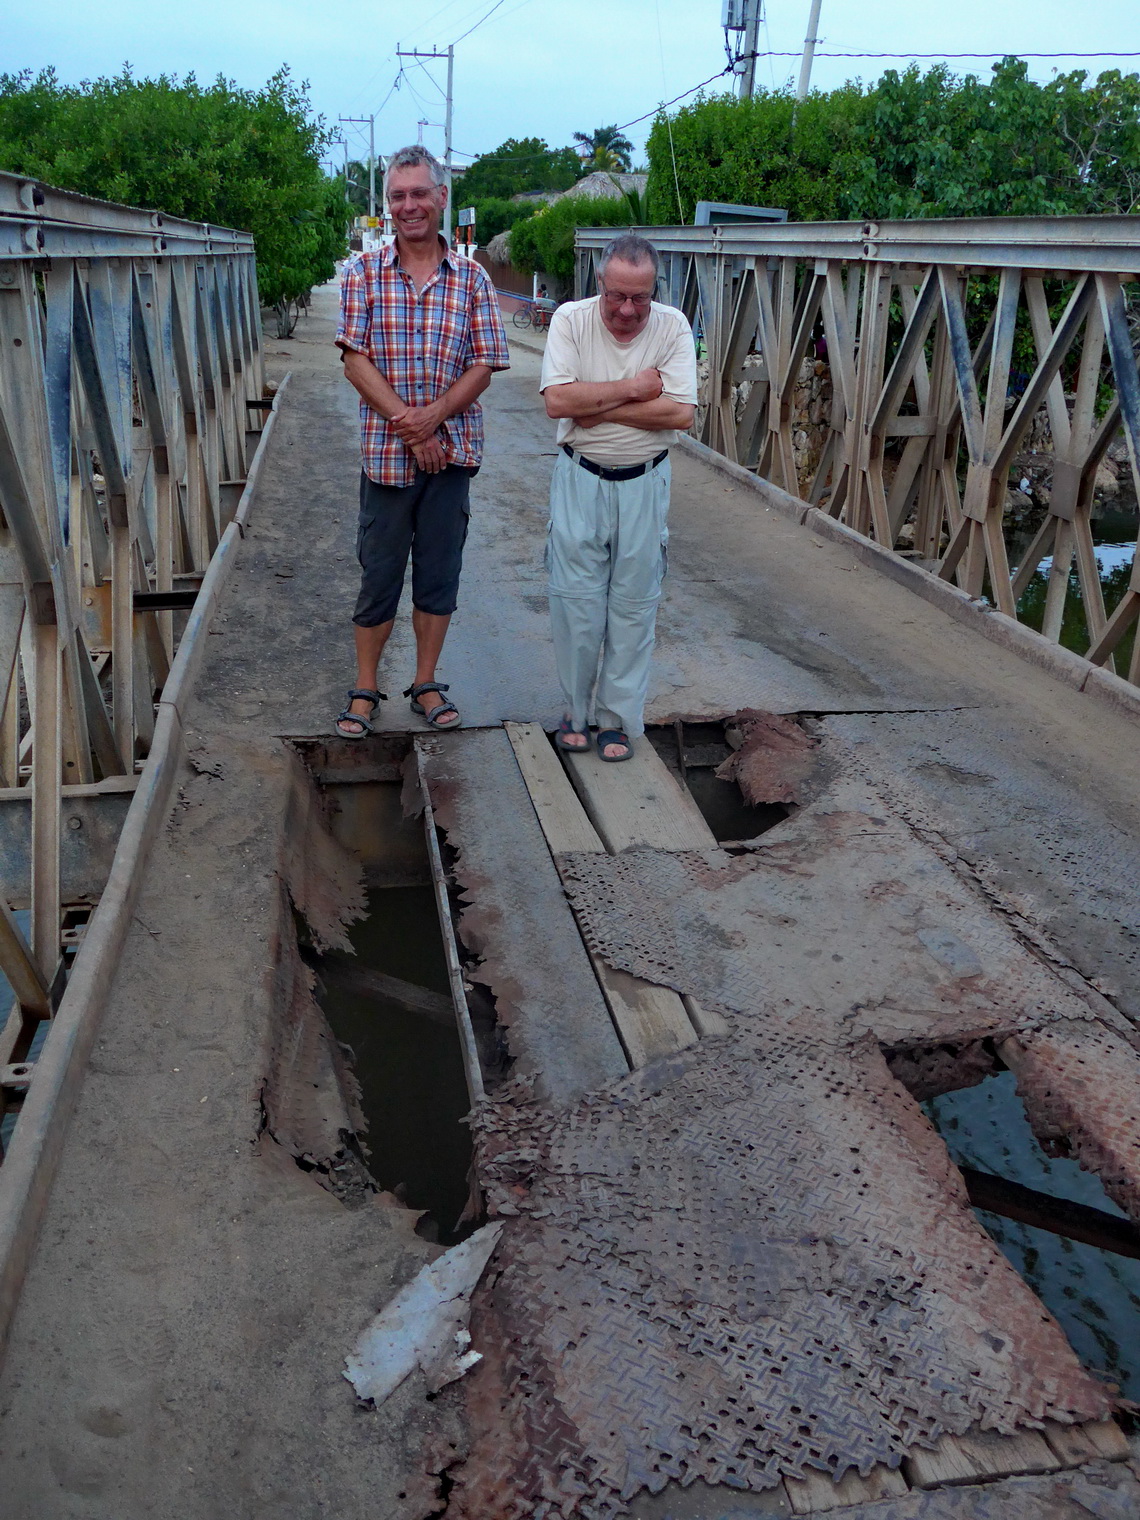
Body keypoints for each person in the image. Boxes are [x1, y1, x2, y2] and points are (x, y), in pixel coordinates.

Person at [334, 144, 510, 737]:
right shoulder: (362, 274)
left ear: (441, 198)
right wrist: (413, 428)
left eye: (419, 194)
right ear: (388, 205)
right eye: (397, 196)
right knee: (377, 572)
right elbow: (355, 361)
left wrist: (432, 418)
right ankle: (364, 687)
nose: (409, 206)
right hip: (387, 458)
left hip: (452, 456)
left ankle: (426, 682)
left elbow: (485, 363)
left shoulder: (474, 280)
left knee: (439, 573)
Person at [539, 234, 696, 761]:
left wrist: (595, 405)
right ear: (600, 283)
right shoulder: (570, 319)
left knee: (634, 604)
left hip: (645, 482)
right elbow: (557, 401)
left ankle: (616, 718)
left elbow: (679, 414)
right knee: (575, 604)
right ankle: (576, 712)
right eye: (617, 297)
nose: (628, 310)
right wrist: (632, 390)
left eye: (641, 299)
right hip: (580, 479)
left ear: (655, 291)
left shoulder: (673, 327)